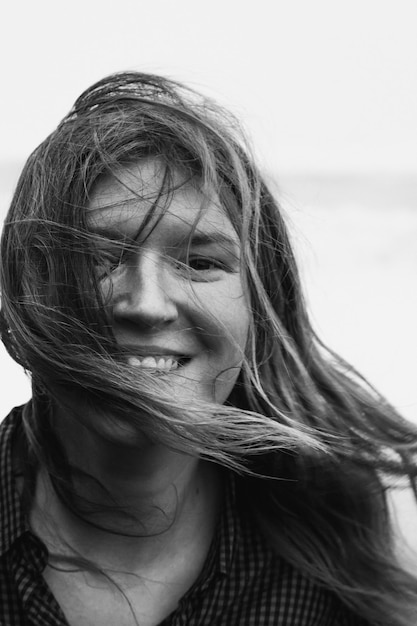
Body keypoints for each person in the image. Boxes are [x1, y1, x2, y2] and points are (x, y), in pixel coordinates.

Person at [0, 71, 416, 626]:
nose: (147, 304)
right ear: (30, 288)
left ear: (260, 309)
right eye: (99, 259)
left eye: (199, 263)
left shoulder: (356, 525)